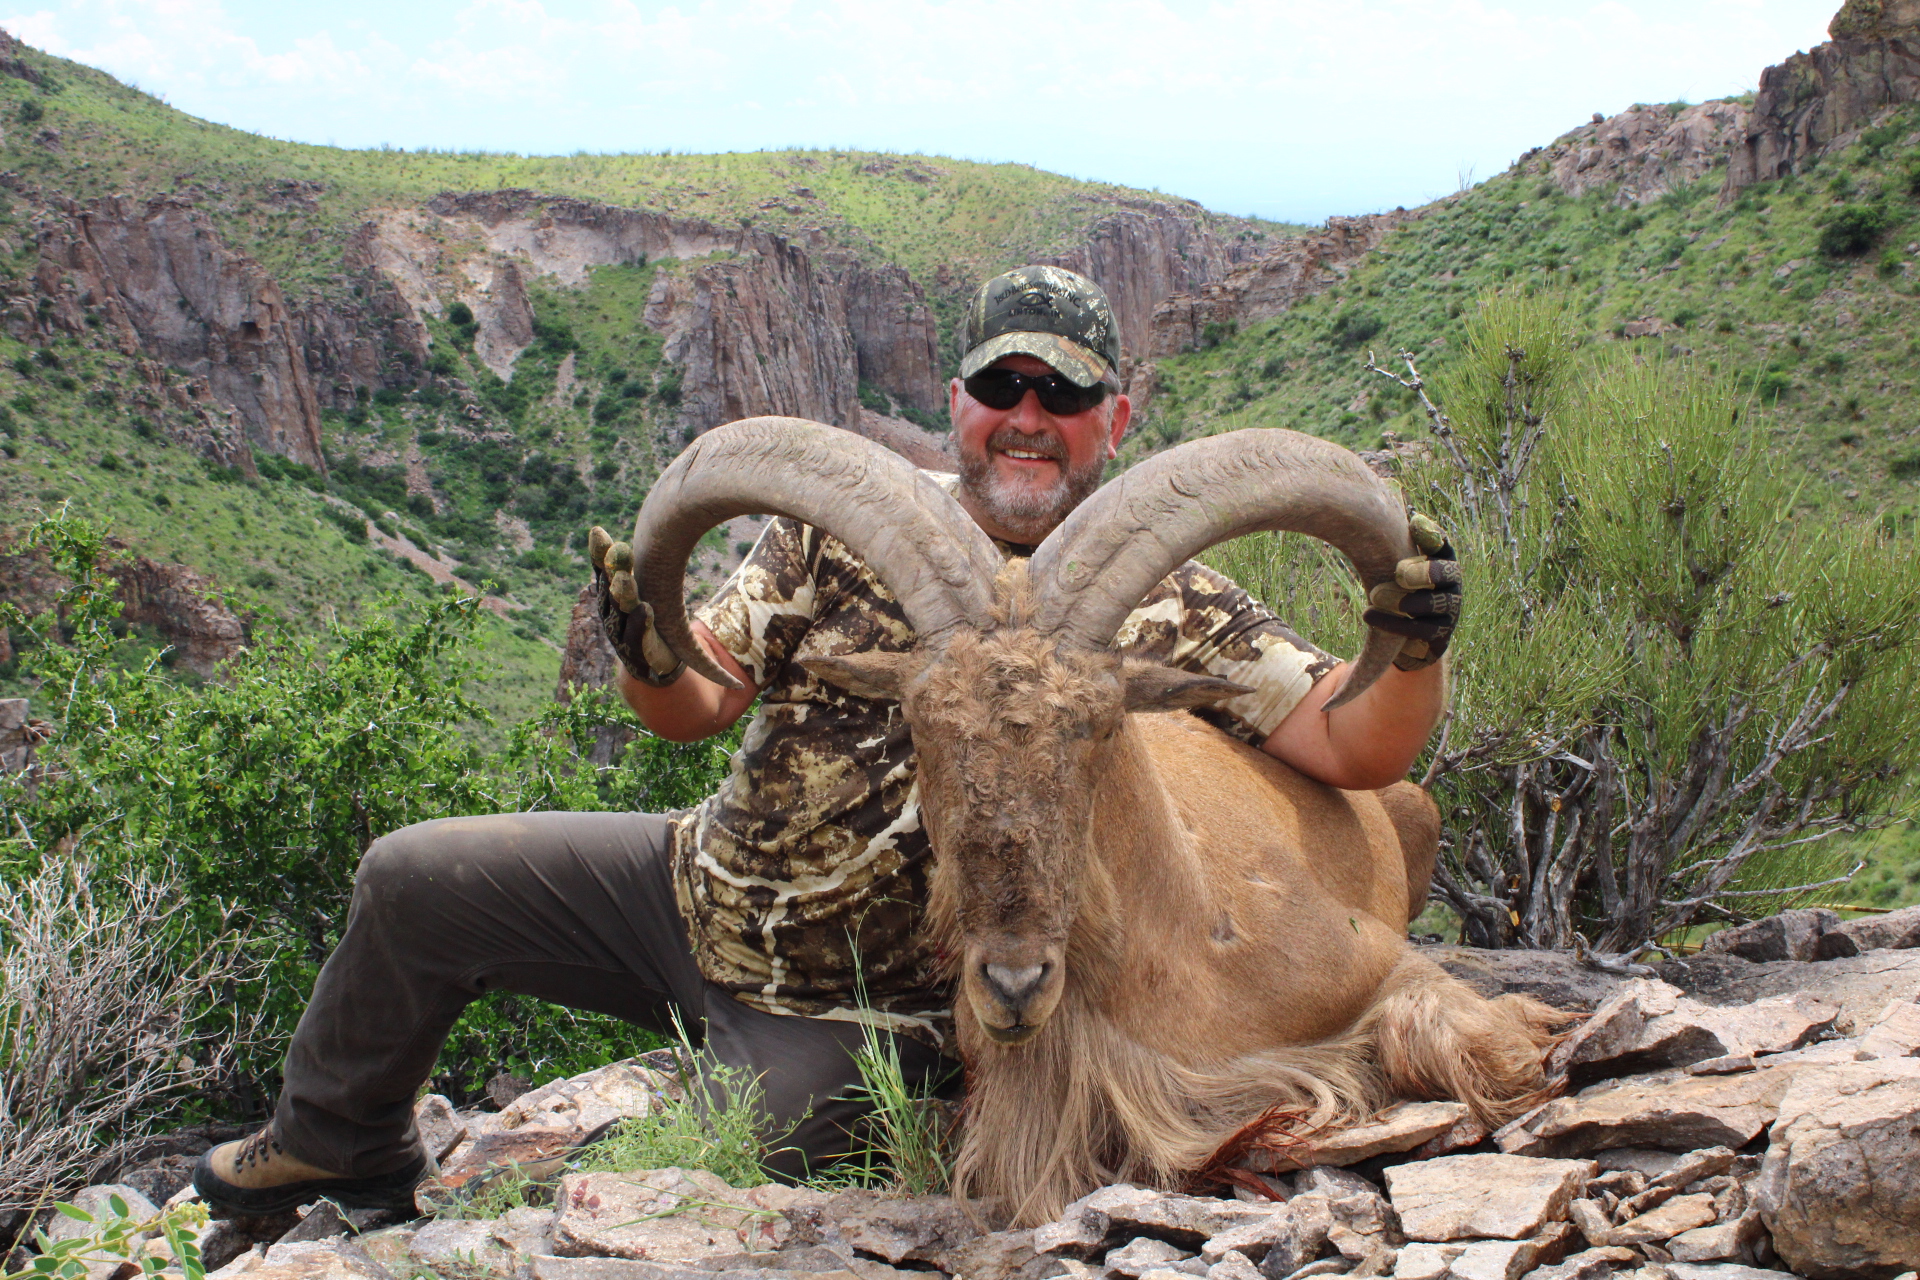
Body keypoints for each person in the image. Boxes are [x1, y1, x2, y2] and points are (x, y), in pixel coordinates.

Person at [193, 266, 1459, 1216]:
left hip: (860, 1007)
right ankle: (333, 1134)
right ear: (956, 402)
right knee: (416, 877)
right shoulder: (835, 533)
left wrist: (1414, 644)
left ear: (1113, 419)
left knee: (701, 1161)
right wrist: (650, 651)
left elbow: (1355, 749)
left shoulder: (1165, 594)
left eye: (1064, 394)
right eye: (1003, 389)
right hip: (696, 890)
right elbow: (696, 702)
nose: (1029, 416)